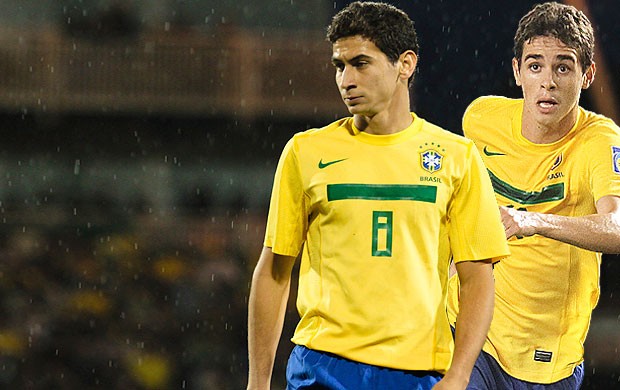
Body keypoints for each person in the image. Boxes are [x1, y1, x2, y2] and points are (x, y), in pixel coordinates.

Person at [247, 2, 509, 389]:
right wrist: (257, 382)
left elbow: (478, 279)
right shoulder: (305, 152)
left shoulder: (457, 157)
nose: (346, 80)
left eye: (361, 63)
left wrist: (459, 375)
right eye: (340, 66)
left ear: (405, 64)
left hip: (418, 372)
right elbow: (274, 271)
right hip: (321, 367)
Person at [447, 2, 620, 389]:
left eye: (563, 66)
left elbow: (617, 227)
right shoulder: (480, 119)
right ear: (517, 71)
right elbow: (458, 198)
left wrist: (532, 220)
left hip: (547, 359)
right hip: (470, 334)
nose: (548, 81)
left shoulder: (599, 140)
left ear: (587, 74)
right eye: (535, 65)